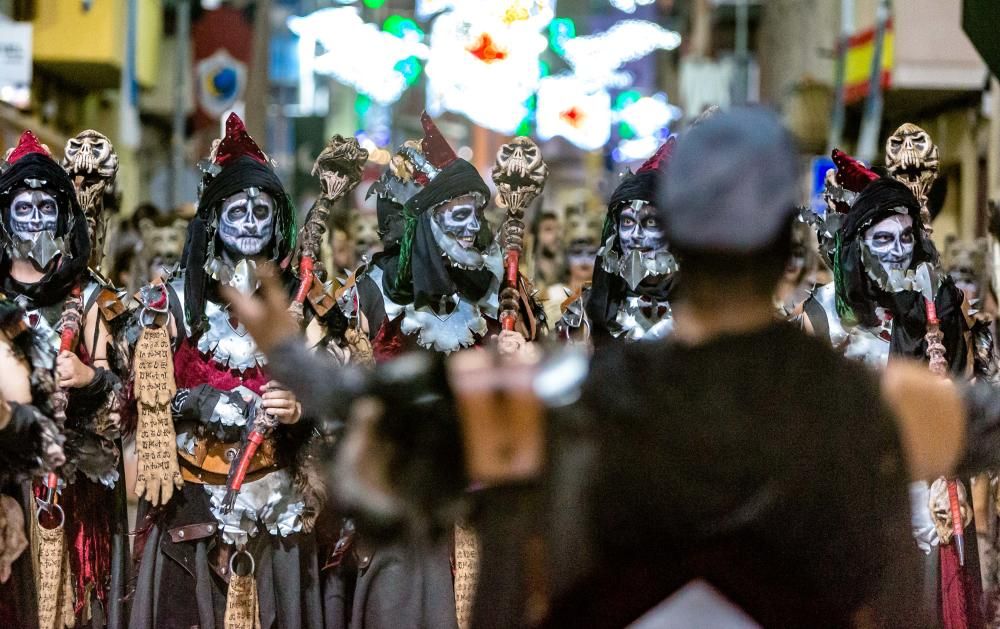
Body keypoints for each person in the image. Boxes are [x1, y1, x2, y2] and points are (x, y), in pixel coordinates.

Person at [128, 113, 324, 629]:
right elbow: (140, 402)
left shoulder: (300, 305)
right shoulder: (169, 301)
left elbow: (333, 398)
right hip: (193, 499)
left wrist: (299, 407)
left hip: (275, 503)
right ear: (214, 219)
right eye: (239, 211)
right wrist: (198, 402)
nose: (253, 224)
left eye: (263, 212)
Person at [0, 130, 129, 627]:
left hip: (72, 499)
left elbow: (129, 409)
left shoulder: (93, 299)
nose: (35, 220)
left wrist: (93, 381)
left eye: (47, 207)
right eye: (23, 209)